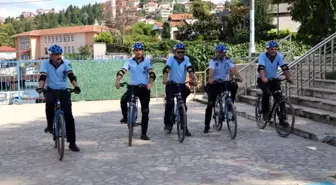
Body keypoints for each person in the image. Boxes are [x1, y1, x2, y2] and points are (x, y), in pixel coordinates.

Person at [36, 44, 81, 152]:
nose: (58, 56)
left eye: (60, 54)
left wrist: (76, 86)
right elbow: (43, 76)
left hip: (63, 90)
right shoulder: (46, 64)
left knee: (69, 117)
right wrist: (40, 87)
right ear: (51, 55)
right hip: (51, 89)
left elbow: (71, 75)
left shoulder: (65, 63)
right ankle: (50, 125)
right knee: (50, 103)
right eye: (56, 54)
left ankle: (72, 143)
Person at [116, 42, 155, 141]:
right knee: (123, 100)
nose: (138, 52)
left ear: (142, 51)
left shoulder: (147, 62)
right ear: (133, 51)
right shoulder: (129, 62)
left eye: (140, 50)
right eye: (136, 50)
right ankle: (125, 117)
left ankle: (144, 133)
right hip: (133, 87)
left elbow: (151, 73)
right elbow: (122, 71)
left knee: (145, 111)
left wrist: (150, 83)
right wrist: (118, 80)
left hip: (144, 88)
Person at [204, 44, 243, 134]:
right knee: (210, 104)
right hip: (215, 83)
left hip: (225, 82)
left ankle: (230, 105)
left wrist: (239, 76)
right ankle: (207, 125)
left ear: (224, 53)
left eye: (220, 52)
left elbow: (233, 69)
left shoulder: (228, 60)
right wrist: (210, 78)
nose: (218, 53)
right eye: (217, 52)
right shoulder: (213, 61)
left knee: (234, 85)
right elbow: (211, 70)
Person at [162, 43, 197, 136]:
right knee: (169, 103)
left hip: (181, 85)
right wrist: (165, 78)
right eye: (179, 52)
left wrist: (193, 79)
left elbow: (189, 69)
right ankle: (168, 123)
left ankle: (184, 127)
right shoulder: (171, 59)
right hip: (171, 84)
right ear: (174, 52)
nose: (181, 54)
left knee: (183, 106)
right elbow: (166, 69)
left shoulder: (186, 59)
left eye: (182, 52)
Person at [257, 40, 292, 127]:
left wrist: (287, 77)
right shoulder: (262, 56)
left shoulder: (279, 56)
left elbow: (284, 67)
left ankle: (282, 119)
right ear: (267, 49)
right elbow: (261, 68)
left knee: (280, 97)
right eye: (272, 49)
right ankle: (265, 112)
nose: (273, 51)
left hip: (273, 79)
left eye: (275, 49)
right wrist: (263, 77)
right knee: (267, 93)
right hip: (263, 79)